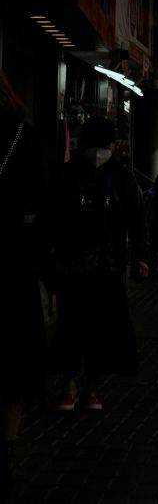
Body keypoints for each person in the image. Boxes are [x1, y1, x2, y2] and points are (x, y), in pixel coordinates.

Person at [39, 117, 148, 413]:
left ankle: (83, 387)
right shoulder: (73, 176)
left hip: (96, 266)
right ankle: (77, 386)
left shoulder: (115, 178)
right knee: (82, 326)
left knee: (92, 327)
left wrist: (140, 255)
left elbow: (137, 220)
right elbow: (48, 221)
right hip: (87, 266)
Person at [0, 74, 42, 502]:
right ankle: (6, 453)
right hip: (12, 264)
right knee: (11, 370)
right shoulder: (22, 136)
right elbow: (40, 205)